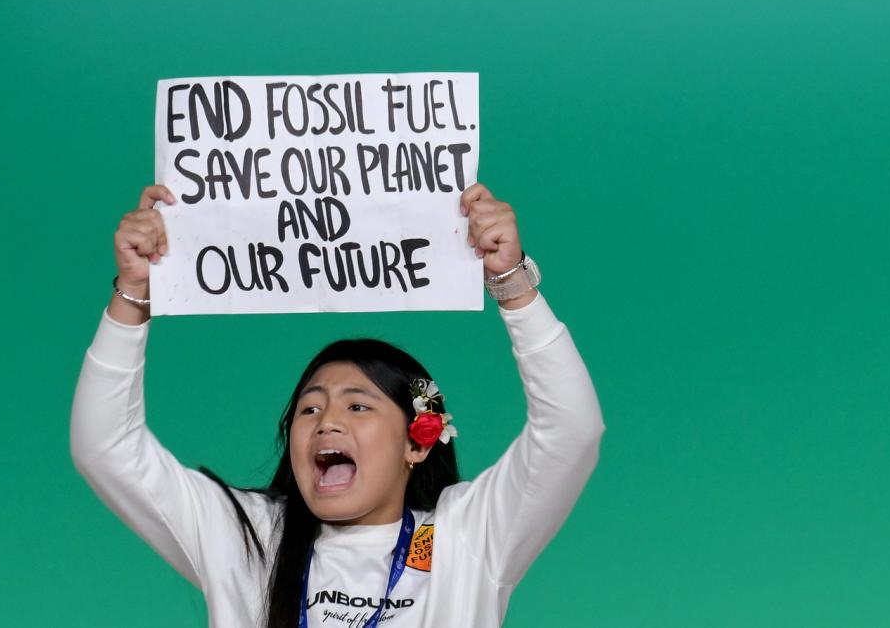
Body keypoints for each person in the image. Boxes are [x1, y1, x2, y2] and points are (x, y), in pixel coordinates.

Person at [70, 182, 604, 628]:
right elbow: (105, 447)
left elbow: (571, 430)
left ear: (417, 441)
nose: (326, 421)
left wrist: (511, 287)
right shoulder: (250, 536)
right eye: (309, 409)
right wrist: (133, 293)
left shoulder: (467, 535)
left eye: (358, 407)